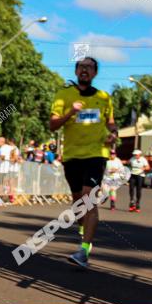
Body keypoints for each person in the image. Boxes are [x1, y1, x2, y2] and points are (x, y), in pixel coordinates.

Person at [50, 57, 117, 269]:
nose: (85, 70)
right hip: (72, 155)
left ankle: (84, 250)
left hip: (96, 154)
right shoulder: (64, 95)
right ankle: (82, 227)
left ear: (95, 73)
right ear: (76, 71)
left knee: (89, 199)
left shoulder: (104, 97)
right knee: (78, 202)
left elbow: (111, 124)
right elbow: (52, 125)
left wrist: (113, 136)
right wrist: (71, 112)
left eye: (89, 67)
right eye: (81, 67)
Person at [129, 149, 150, 213]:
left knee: (138, 190)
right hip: (133, 175)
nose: (135, 155)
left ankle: (137, 203)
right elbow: (128, 163)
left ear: (139, 155)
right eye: (134, 154)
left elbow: (148, 167)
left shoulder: (143, 160)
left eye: (136, 154)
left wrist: (143, 168)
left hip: (140, 176)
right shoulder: (132, 159)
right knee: (131, 188)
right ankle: (132, 201)